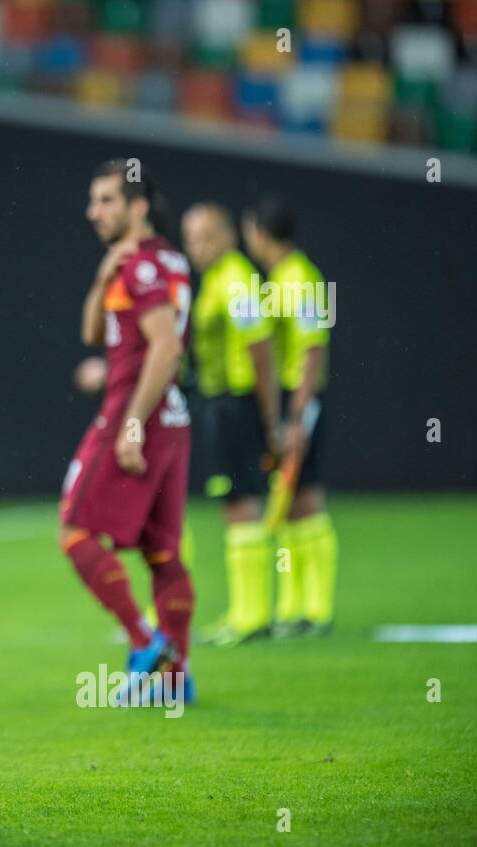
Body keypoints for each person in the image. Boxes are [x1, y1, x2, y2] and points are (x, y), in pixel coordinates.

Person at [60, 159, 196, 704]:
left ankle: (146, 645)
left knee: (75, 533)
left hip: (134, 413)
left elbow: (166, 347)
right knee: (163, 552)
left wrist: (132, 424)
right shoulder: (166, 260)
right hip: (174, 417)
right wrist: (101, 276)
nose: (94, 212)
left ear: (138, 206)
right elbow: (95, 331)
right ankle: (174, 676)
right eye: (93, 201)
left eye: (107, 201)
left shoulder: (140, 265)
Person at [182, 202, 279, 644]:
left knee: (241, 504)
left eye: (204, 236)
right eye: (190, 238)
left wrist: (270, 417)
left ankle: (252, 615)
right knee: (234, 503)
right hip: (222, 402)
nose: (195, 247)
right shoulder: (219, 280)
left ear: (227, 236)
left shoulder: (236, 280)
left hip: (236, 404)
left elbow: (260, 348)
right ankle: (247, 612)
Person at [242, 197, 337, 637]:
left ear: (260, 231)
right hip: (292, 398)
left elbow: (312, 348)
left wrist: (298, 416)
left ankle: (316, 611)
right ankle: (297, 607)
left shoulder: (301, 279)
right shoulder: (283, 278)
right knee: (292, 502)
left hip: (301, 397)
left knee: (303, 498)